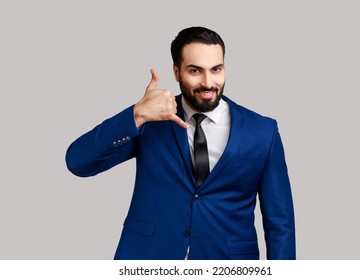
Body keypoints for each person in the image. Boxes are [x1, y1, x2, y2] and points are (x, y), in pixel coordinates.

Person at [65, 26, 295, 260]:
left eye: (216, 69)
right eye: (195, 71)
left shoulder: (263, 131)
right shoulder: (150, 121)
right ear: (176, 72)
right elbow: (78, 162)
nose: (208, 83)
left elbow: (280, 223)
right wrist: (136, 115)